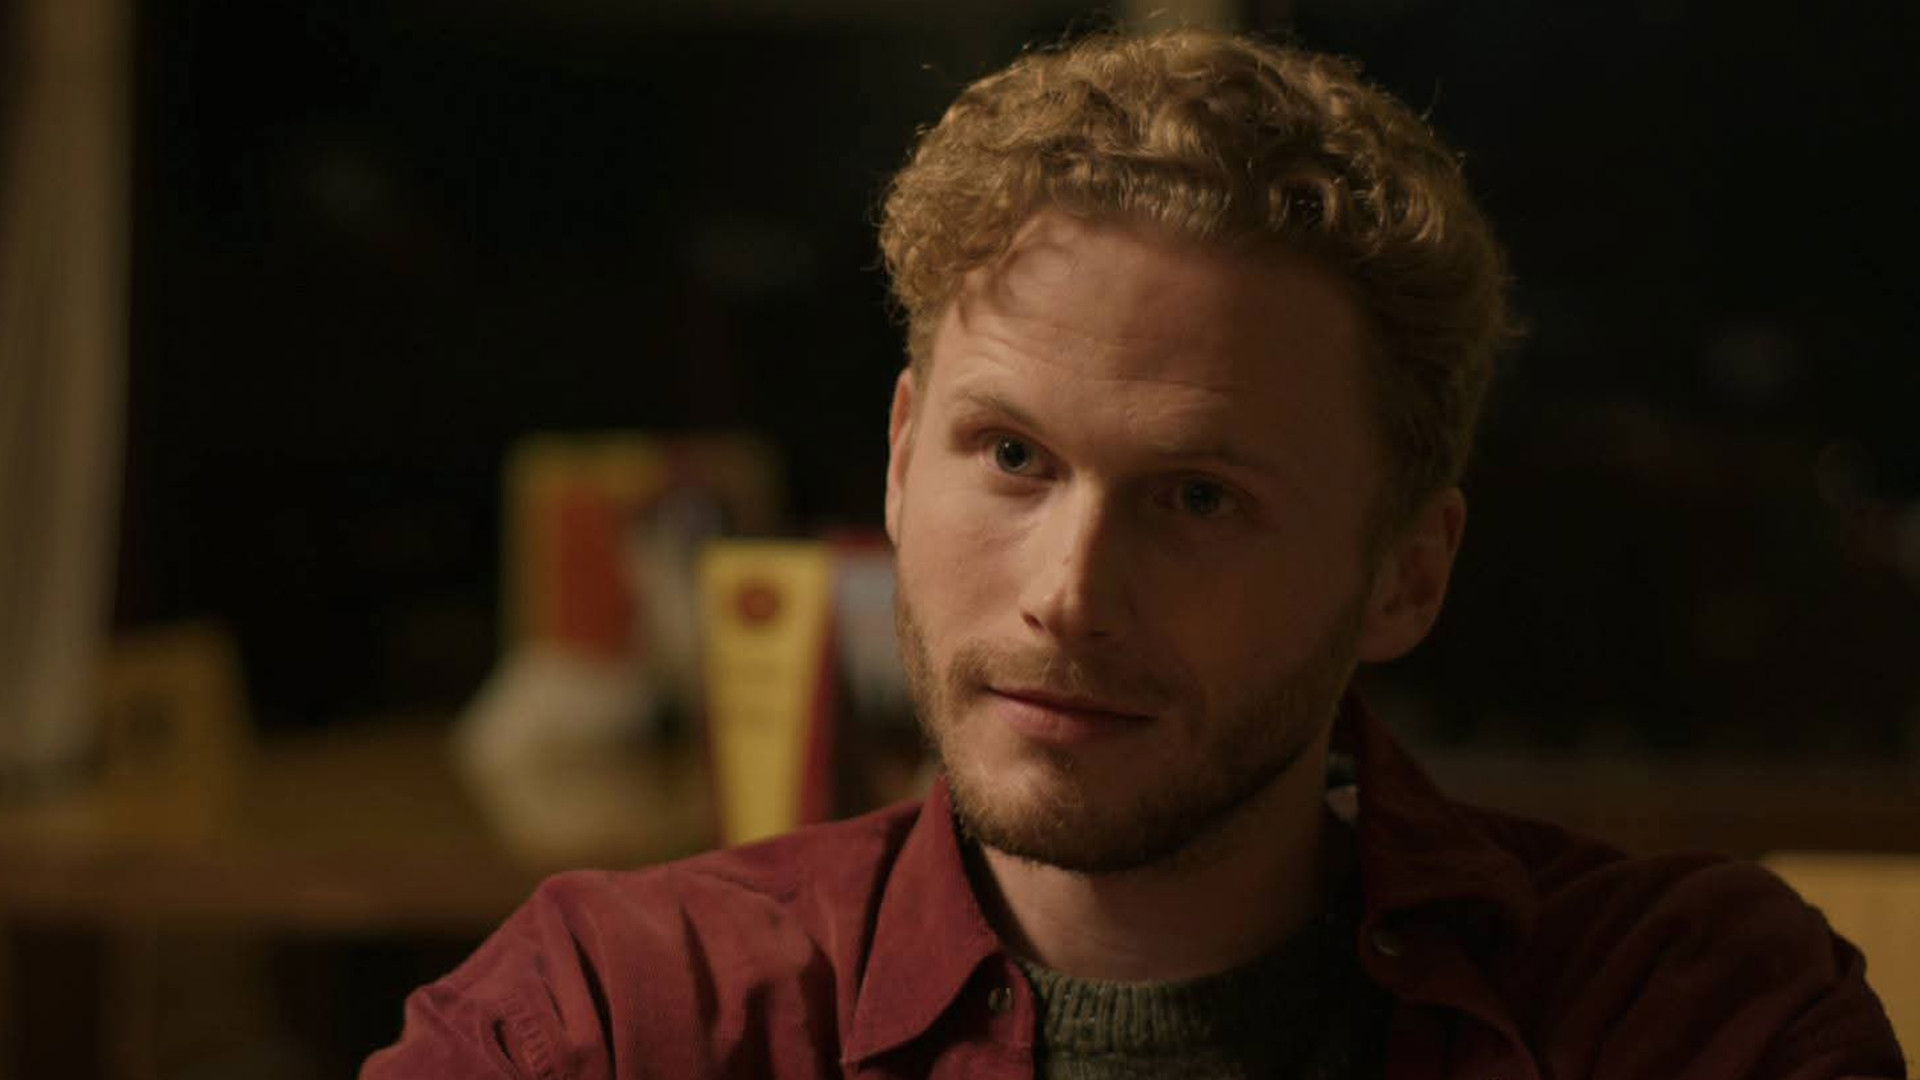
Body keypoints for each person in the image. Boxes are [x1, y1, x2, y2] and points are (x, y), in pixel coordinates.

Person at [363, 28, 1904, 1079]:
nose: (1070, 595)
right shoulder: (616, 1022)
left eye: (1200, 499)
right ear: (900, 461)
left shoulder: (1681, 1018)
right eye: (1011, 457)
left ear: (1406, 574)